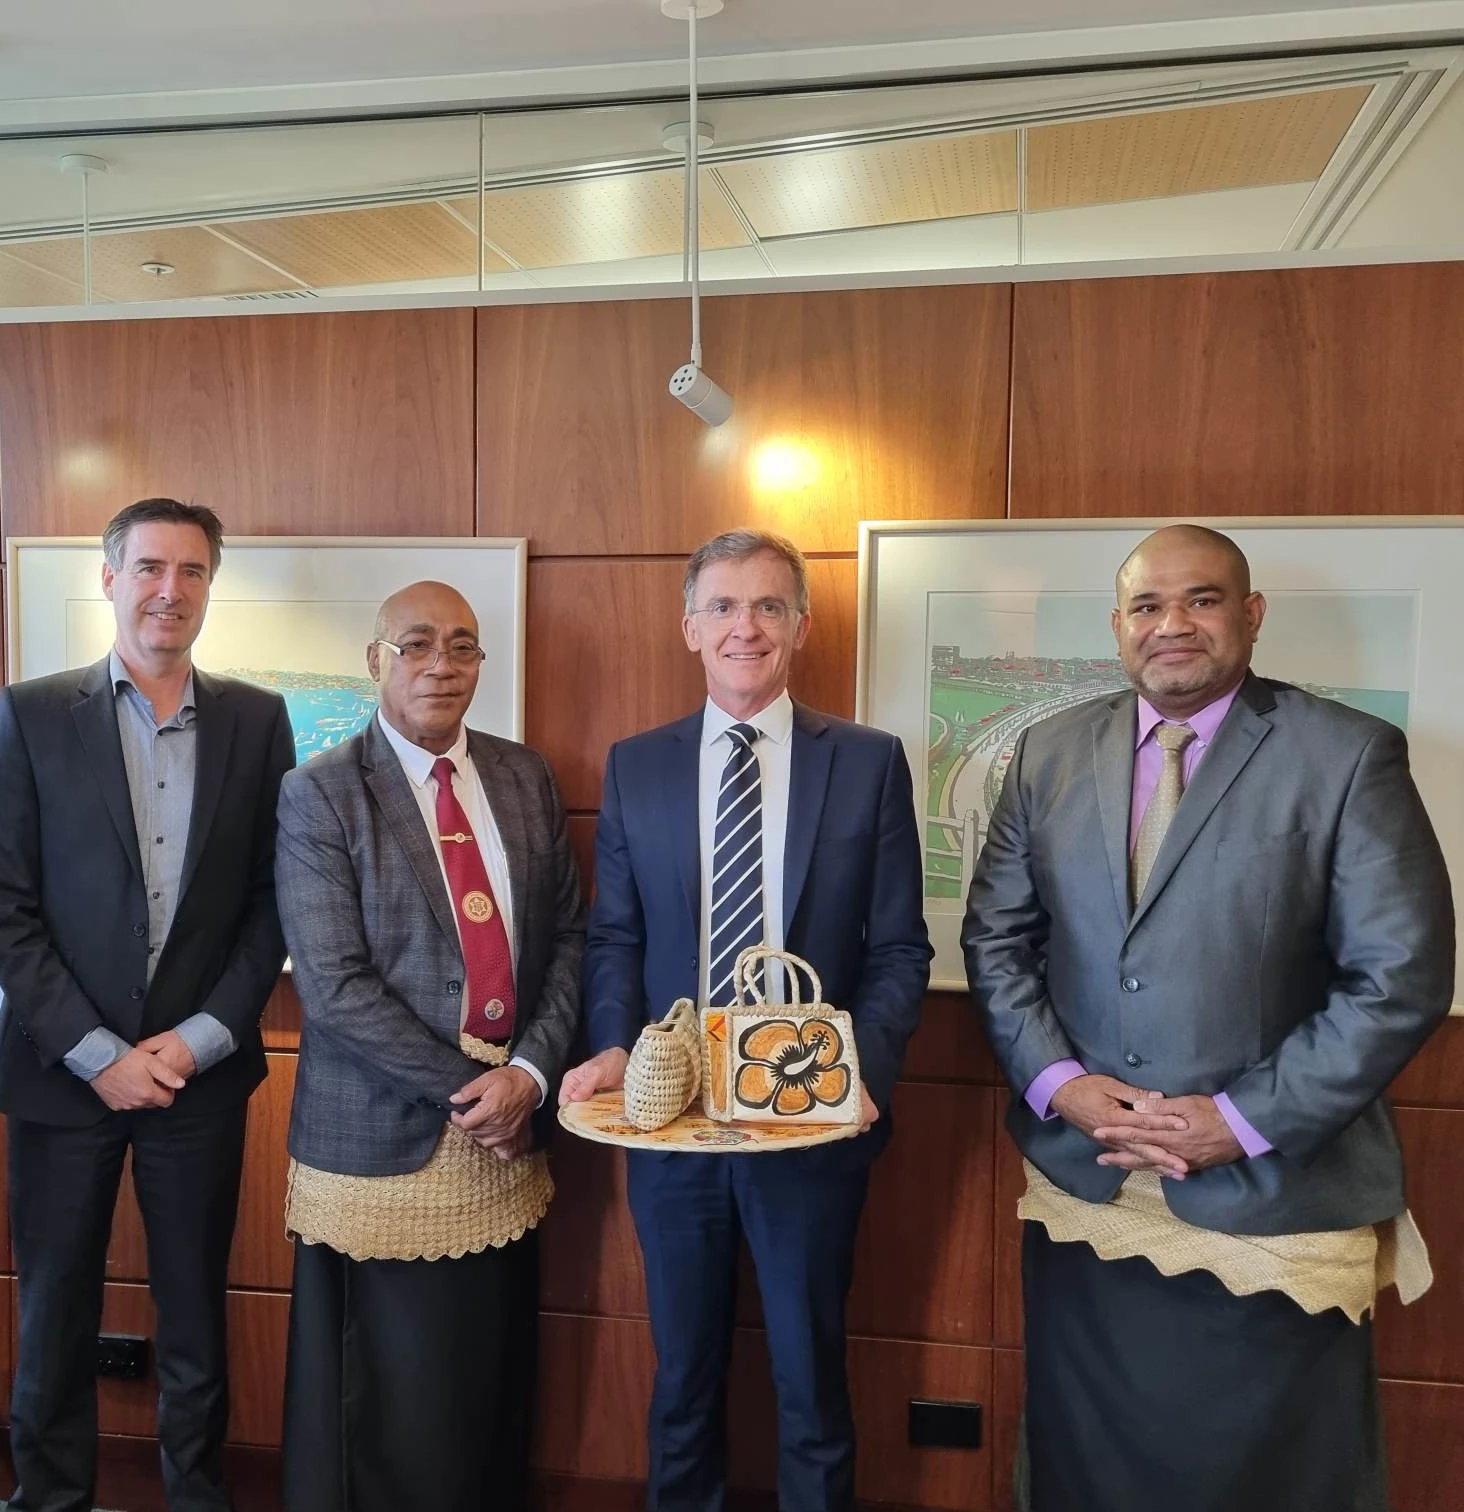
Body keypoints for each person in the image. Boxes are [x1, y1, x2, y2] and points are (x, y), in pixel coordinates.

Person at [962, 523, 1454, 1512]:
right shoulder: (1049, 753)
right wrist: (1063, 1085)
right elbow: (997, 943)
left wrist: (1236, 1121)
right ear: (1118, 627)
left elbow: (1400, 976)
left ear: (1252, 614)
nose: (1172, 624)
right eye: (1148, 605)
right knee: (1084, 1464)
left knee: (1269, 1474)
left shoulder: (1349, 755)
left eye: (1203, 599)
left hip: (1274, 1195)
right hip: (1087, 1186)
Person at [564, 528, 931, 1512]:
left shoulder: (867, 763)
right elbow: (616, 939)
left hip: (810, 1122)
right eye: (723, 606)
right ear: (690, 627)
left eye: (769, 606)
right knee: (682, 1380)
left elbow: (901, 951)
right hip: (672, 1128)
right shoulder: (637, 766)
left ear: (802, 627)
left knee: (810, 1380)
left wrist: (868, 1076)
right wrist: (608, 1047)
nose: (745, 626)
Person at [0, 498, 295, 1512]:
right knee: (53, 1311)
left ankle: (195, 1495)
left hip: (198, 1084)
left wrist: (195, 1045)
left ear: (210, 587)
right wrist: (100, 1051)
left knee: (196, 1313)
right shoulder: (28, 714)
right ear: (108, 580)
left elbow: (269, 905)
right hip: (61, 1077)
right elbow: (3, 910)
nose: (170, 589)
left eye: (192, 571)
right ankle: (49, 1500)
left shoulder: (256, 719)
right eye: (150, 567)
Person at [274, 580, 584, 1512]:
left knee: (484, 1383)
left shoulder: (525, 776)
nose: (440, 666)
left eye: (462, 646)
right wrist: (473, 1090)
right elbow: (333, 986)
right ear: (375, 662)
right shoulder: (320, 792)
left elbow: (570, 937)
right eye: (415, 645)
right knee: (386, 1403)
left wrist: (529, 1074)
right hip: (382, 1143)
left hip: (511, 1136)